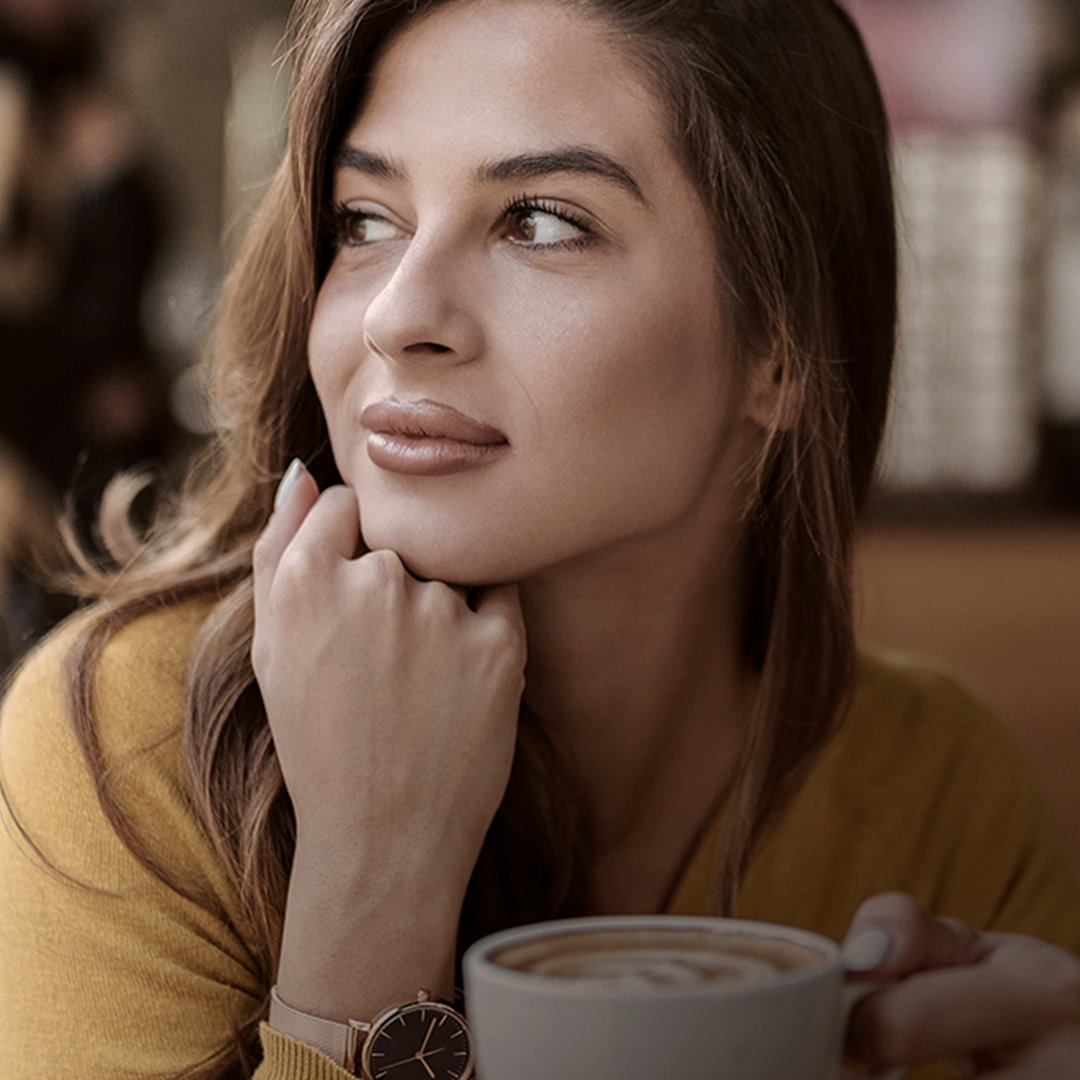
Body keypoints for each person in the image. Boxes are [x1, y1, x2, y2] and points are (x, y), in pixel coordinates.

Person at [1, 0, 1078, 1077]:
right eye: (365, 220)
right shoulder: (126, 752)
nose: (395, 314)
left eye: (543, 222)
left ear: (782, 350)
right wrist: (370, 896)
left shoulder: (937, 787)